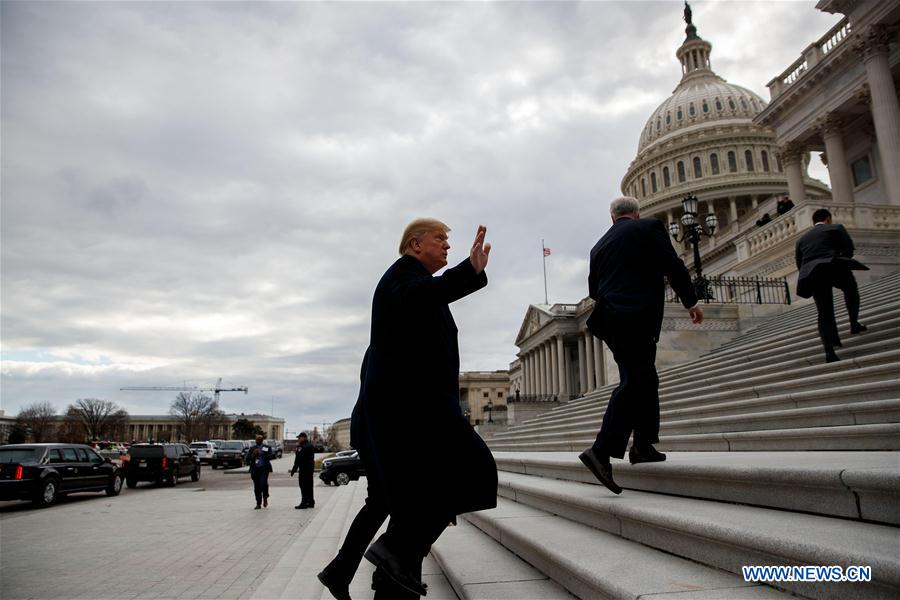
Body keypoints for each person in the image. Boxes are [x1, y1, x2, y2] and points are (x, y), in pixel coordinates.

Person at [349, 219, 497, 598]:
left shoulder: (416, 283)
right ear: (415, 245)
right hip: (415, 411)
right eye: (440, 239)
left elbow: (429, 301)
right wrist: (469, 270)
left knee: (425, 497)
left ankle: (397, 565)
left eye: (448, 240)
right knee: (474, 471)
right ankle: (395, 553)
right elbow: (423, 297)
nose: (447, 246)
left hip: (420, 409)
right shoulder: (402, 277)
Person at [581, 196, 703, 495]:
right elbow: (672, 265)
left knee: (644, 378)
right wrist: (691, 301)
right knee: (637, 380)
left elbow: (593, 289)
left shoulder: (599, 245)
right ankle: (601, 450)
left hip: (610, 318)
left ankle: (643, 445)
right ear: (636, 214)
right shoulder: (649, 227)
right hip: (635, 316)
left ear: (613, 218)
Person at [795, 208, 868, 363]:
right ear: (828, 219)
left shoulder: (801, 240)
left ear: (814, 222)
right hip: (833, 266)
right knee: (851, 289)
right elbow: (849, 250)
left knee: (824, 312)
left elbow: (799, 263)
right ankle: (853, 323)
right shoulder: (836, 228)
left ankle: (829, 351)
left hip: (812, 273)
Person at [290, 432, 315, 509]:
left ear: (304, 438)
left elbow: (298, 459)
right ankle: (311, 502)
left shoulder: (301, 447)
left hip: (304, 470)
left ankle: (304, 503)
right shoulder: (310, 445)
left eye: (299, 438)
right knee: (309, 486)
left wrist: (294, 469)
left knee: (303, 486)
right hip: (310, 469)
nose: (298, 439)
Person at [248, 434, 273, 509]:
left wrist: (261, 454)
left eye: (259, 439)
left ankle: (265, 497)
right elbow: (247, 458)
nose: (258, 441)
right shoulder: (252, 448)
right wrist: (253, 454)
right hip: (255, 469)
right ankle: (258, 503)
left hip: (264, 469)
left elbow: (271, 456)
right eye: (257, 439)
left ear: (262, 440)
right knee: (257, 487)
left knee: (264, 484)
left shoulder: (266, 447)